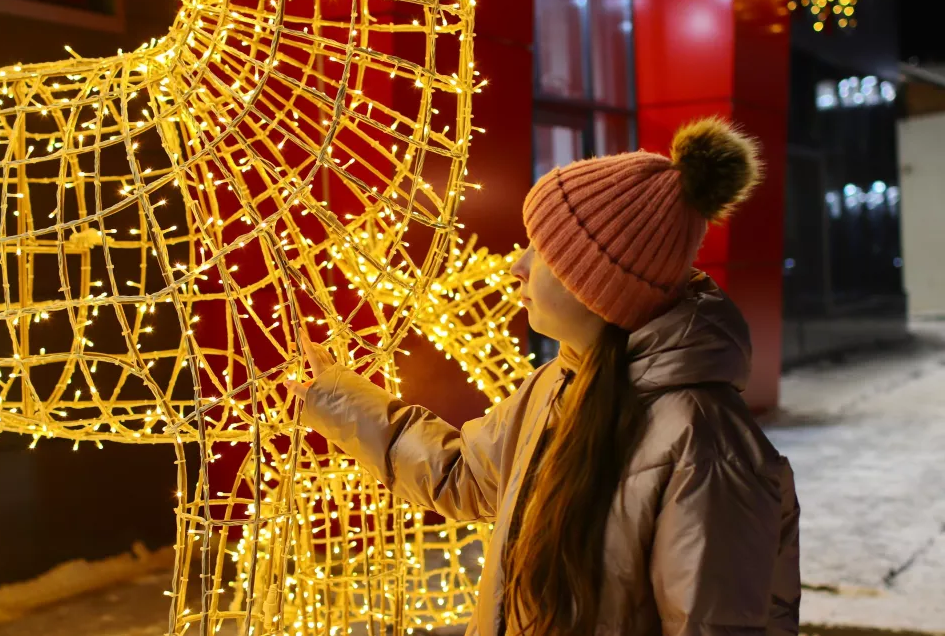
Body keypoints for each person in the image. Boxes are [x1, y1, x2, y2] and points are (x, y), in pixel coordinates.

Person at [284, 118, 801, 636]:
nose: (519, 266)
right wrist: (336, 395)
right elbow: (460, 475)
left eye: (545, 250)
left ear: (599, 285)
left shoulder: (707, 448)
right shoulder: (556, 385)